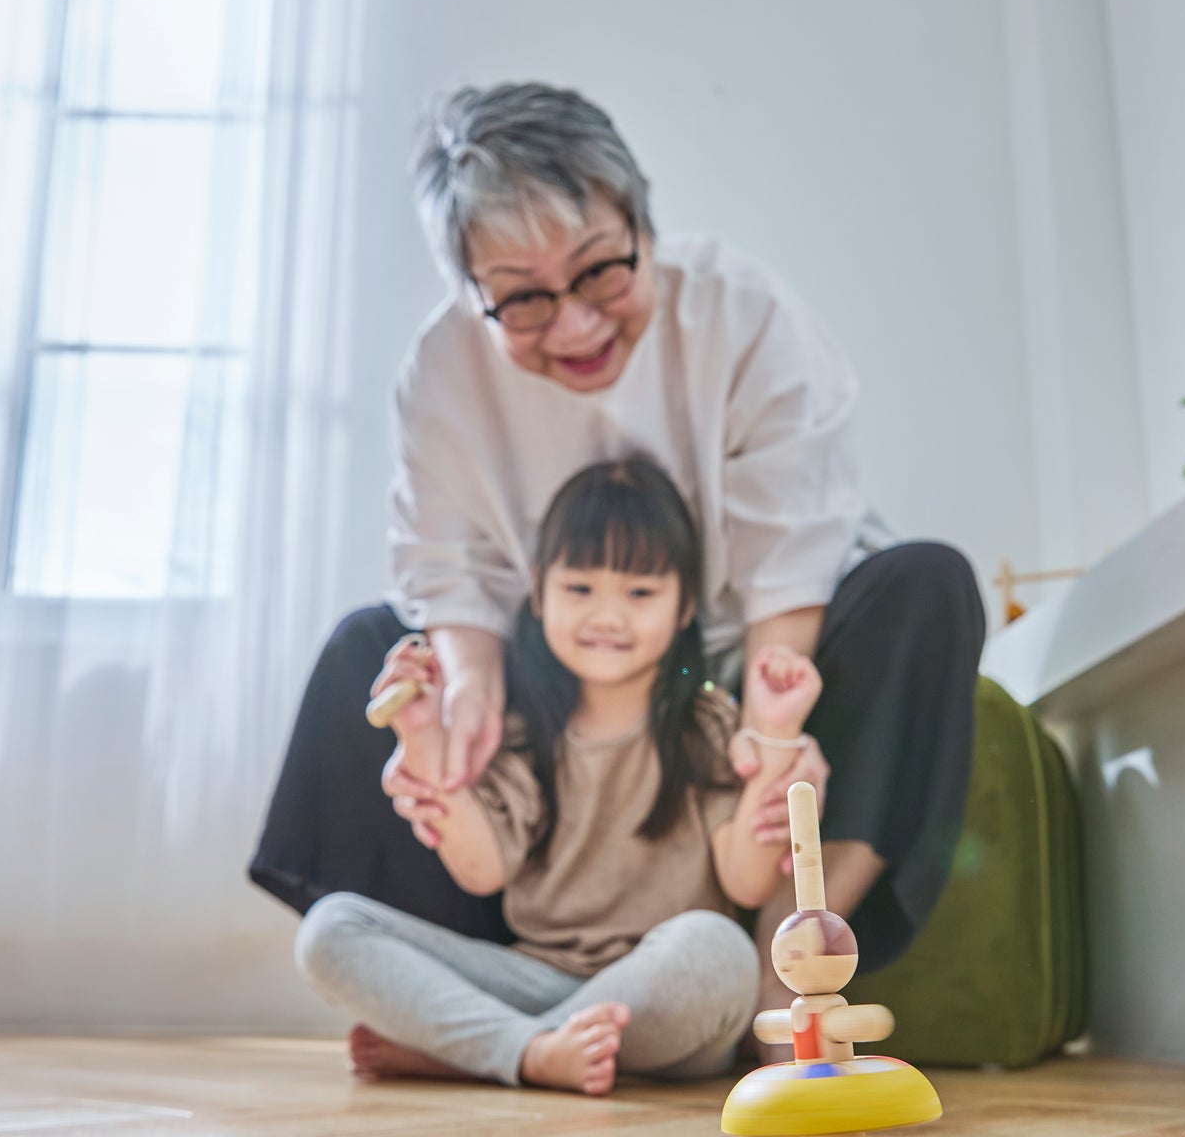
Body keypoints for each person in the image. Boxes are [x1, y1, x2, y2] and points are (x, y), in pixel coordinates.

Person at [251, 80, 985, 1033]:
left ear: (643, 218)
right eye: (521, 301)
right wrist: (468, 695)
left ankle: (781, 968)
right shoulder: (440, 373)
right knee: (367, 652)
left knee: (927, 587)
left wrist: (769, 726)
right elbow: (449, 567)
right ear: (469, 290)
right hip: (556, 692)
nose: (576, 326)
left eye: (602, 272)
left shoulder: (741, 314)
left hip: (723, 658)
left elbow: (793, 559)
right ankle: (505, 987)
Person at [293, 457, 823, 1094]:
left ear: (685, 607)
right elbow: (482, 868)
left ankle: (478, 1049)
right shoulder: (519, 728)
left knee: (718, 949)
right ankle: (531, 1050)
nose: (607, 616)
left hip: (664, 990)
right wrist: (422, 733)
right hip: (537, 976)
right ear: (539, 592)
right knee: (331, 929)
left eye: (640, 593)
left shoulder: (705, 723)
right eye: (580, 589)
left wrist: (776, 729)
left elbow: (746, 878)